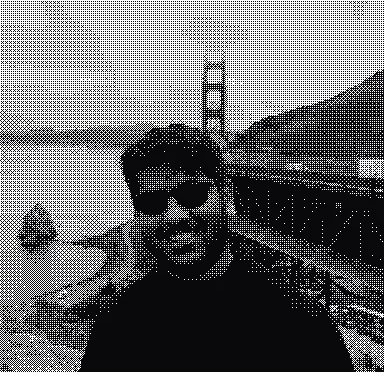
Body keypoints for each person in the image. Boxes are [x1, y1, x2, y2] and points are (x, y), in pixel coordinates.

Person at [79, 124, 354, 371]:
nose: (174, 216)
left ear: (227, 195)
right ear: (137, 215)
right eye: (151, 204)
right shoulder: (120, 327)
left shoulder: (299, 325)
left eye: (192, 194)